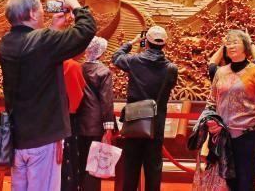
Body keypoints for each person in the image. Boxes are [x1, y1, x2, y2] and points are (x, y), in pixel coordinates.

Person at [0, 0, 97, 191]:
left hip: (18, 137)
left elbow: (35, 53)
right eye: (40, 8)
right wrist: (76, 6)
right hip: (43, 137)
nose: (43, 12)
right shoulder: (43, 42)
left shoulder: (6, 42)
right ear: (32, 14)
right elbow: (86, 30)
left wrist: (53, 29)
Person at [205, 30, 255, 191]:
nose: (231, 46)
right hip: (223, 135)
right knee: (228, 182)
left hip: (247, 134)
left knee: (246, 181)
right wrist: (209, 119)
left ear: (246, 46)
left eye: (235, 42)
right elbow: (211, 101)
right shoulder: (220, 72)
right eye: (228, 43)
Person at [112, 26, 179, 191]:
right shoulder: (171, 68)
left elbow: (116, 57)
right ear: (165, 44)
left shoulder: (134, 61)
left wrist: (132, 42)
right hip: (156, 123)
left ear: (146, 42)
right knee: (153, 169)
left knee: (130, 167)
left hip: (135, 120)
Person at [75, 36, 115, 191]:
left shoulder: (78, 68)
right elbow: (106, 101)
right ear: (101, 52)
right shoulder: (104, 72)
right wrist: (109, 128)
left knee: (80, 163)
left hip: (78, 122)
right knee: (93, 167)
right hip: (96, 124)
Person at [61, 50, 87, 191]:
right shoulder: (73, 66)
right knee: (69, 157)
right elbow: (77, 94)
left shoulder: (49, 62)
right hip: (68, 117)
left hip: (48, 119)